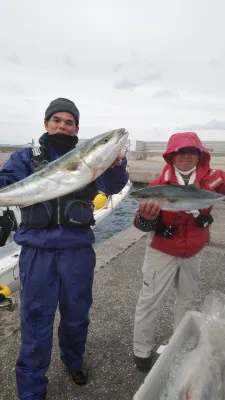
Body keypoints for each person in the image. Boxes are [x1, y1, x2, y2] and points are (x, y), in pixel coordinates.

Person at [0, 98, 129, 399]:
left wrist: (116, 162)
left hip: (77, 251)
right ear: (46, 124)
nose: (62, 125)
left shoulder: (89, 159)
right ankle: (31, 390)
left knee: (76, 315)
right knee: (35, 320)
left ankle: (73, 360)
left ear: (77, 129)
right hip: (37, 252)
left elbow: (113, 185)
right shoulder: (26, 158)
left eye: (69, 122)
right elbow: (5, 181)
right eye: (56, 119)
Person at [133, 131, 225, 372]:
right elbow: (140, 225)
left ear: (199, 155)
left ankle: (178, 345)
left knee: (186, 300)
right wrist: (146, 216)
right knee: (149, 301)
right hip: (161, 250)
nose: (186, 156)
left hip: (193, 251)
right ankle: (142, 350)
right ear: (171, 157)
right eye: (180, 152)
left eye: (191, 151)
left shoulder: (213, 181)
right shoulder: (157, 186)